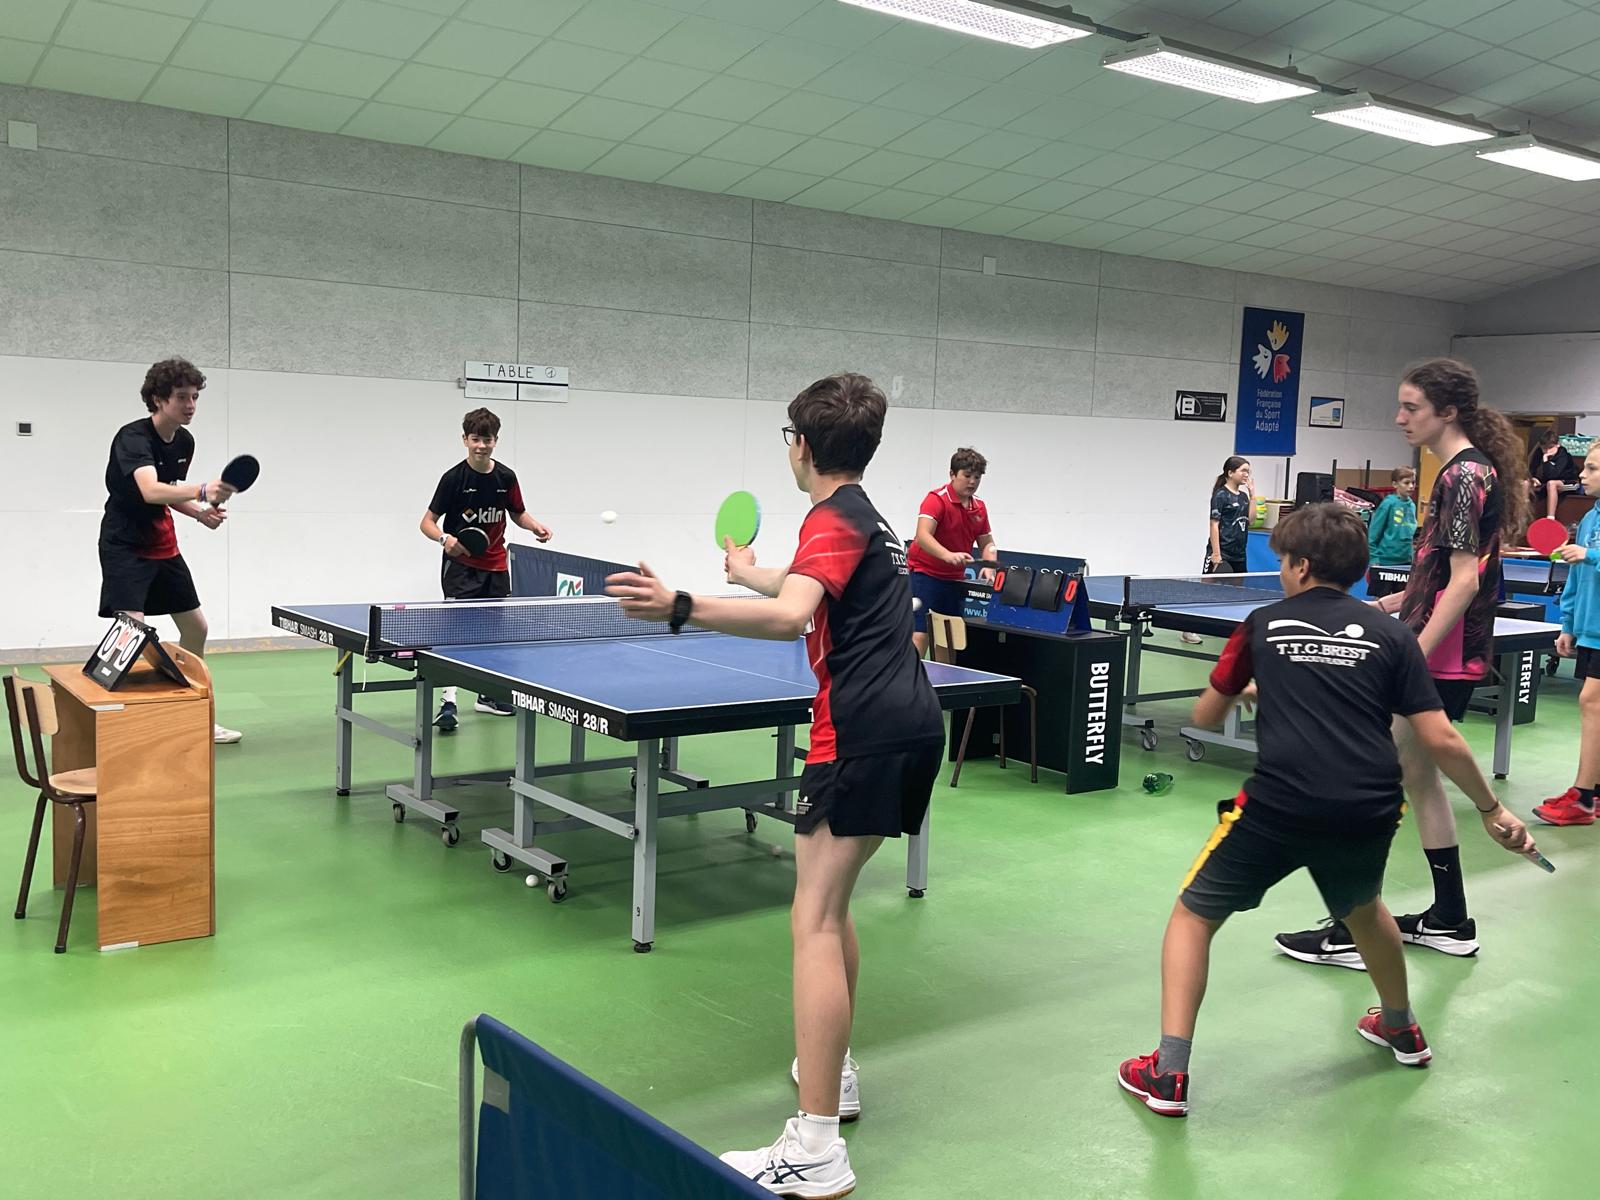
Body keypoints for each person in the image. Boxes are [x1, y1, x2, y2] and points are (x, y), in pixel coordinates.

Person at [607, 374, 944, 1198]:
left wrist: (683, 604)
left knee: (814, 918)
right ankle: (835, 1073)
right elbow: (804, 589)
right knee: (831, 907)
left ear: (803, 445)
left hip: (859, 731)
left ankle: (817, 1147)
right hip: (911, 723)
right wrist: (747, 572)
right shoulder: (870, 520)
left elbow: (794, 616)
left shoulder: (830, 517)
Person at [1117, 504, 1535, 1118]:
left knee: (1192, 916)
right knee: (1364, 910)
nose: (1281, 572)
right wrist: (1492, 809)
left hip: (1279, 807)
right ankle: (1401, 1027)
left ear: (1301, 566)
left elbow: (1205, 716)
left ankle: (1168, 1072)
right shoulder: (1394, 636)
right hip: (1367, 808)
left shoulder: (1261, 624)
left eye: (1283, 562)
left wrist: (1251, 688)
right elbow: (1440, 736)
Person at [1276, 357, 1528, 967]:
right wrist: (1394, 603)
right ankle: (1449, 919)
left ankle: (1353, 930)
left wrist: (1410, 653)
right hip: (1446, 649)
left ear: (1448, 411)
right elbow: (1443, 574)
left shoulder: (1462, 476)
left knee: (1366, 781)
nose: (1399, 418)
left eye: (1411, 407)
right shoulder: (1467, 471)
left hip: (1438, 656)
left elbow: (1465, 581)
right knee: (1416, 776)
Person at [98, 356, 242, 744]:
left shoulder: (184, 441)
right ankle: (113, 723)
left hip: (163, 544)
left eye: (195, 397)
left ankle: (194, 716)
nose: (191, 405)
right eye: (182, 396)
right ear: (159, 399)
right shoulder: (133, 438)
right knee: (132, 632)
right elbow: (150, 490)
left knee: (196, 628)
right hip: (125, 546)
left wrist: (199, 513)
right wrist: (202, 491)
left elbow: (169, 490)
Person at [420, 408, 551, 731]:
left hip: (496, 567)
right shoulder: (453, 479)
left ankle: (487, 696)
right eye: (476, 439)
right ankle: (448, 703)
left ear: (496, 441)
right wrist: (444, 539)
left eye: (487, 439)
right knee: (456, 635)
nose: (481, 445)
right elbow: (427, 523)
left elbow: (517, 513)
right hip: (461, 567)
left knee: (493, 636)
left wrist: (535, 526)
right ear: (465, 439)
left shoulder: (506, 477)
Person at [1533, 442, 1600, 826]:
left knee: (1592, 702)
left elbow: (1587, 560)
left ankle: (1583, 798)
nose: (1582, 475)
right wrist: (1568, 624)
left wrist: (1590, 555)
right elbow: (1575, 577)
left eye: (1591, 468)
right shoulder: (1590, 518)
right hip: (1590, 628)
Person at [907, 447, 996, 656]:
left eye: (977, 477)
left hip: (954, 580)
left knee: (948, 637)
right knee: (921, 634)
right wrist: (948, 555)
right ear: (952, 474)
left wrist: (989, 564)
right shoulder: (936, 499)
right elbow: (922, 536)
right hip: (924, 575)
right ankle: (910, 675)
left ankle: (945, 677)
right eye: (967, 475)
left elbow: (987, 543)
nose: (972, 482)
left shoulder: (979, 507)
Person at [1181, 456, 1254, 644]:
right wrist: (1216, 554)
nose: (1246, 474)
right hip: (1221, 552)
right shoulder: (1221, 495)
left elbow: (1252, 520)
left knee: (1238, 594)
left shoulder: (1244, 497)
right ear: (1230, 473)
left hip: (1239, 554)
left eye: (1248, 471)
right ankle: (1189, 628)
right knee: (1204, 591)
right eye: (1243, 470)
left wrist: (1253, 495)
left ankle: (1235, 631)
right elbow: (1214, 525)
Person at [1365, 466, 1418, 599]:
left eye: (1413, 482)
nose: (1411, 486)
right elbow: (1373, 533)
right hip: (1385, 561)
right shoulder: (1388, 504)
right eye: (1406, 483)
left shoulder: (1412, 505)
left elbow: (1409, 534)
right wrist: (1374, 558)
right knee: (1381, 598)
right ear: (1395, 484)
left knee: (1400, 599)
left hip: (1405, 561)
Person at [1527, 429, 1579, 523]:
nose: (1547, 451)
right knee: (1525, 483)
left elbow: (1554, 475)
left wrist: (1546, 461)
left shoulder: (1563, 455)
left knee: (1551, 484)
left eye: (1550, 447)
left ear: (1557, 445)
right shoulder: (1539, 453)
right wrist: (1533, 478)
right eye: (1544, 448)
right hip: (1546, 482)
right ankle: (1521, 516)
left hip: (1568, 482)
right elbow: (1531, 469)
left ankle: (1550, 518)